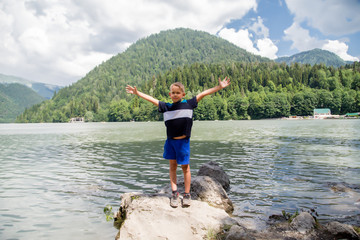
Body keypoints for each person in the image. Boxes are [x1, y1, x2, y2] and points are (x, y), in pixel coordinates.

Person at [126, 77, 230, 207]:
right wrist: (137, 93)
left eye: (177, 93)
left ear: (183, 94)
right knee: (172, 167)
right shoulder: (166, 107)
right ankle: (174, 193)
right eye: (173, 93)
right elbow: (152, 99)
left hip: (183, 143)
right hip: (170, 142)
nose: (175, 95)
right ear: (170, 95)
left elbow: (203, 93)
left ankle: (186, 194)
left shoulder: (189, 104)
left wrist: (219, 87)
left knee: (185, 168)